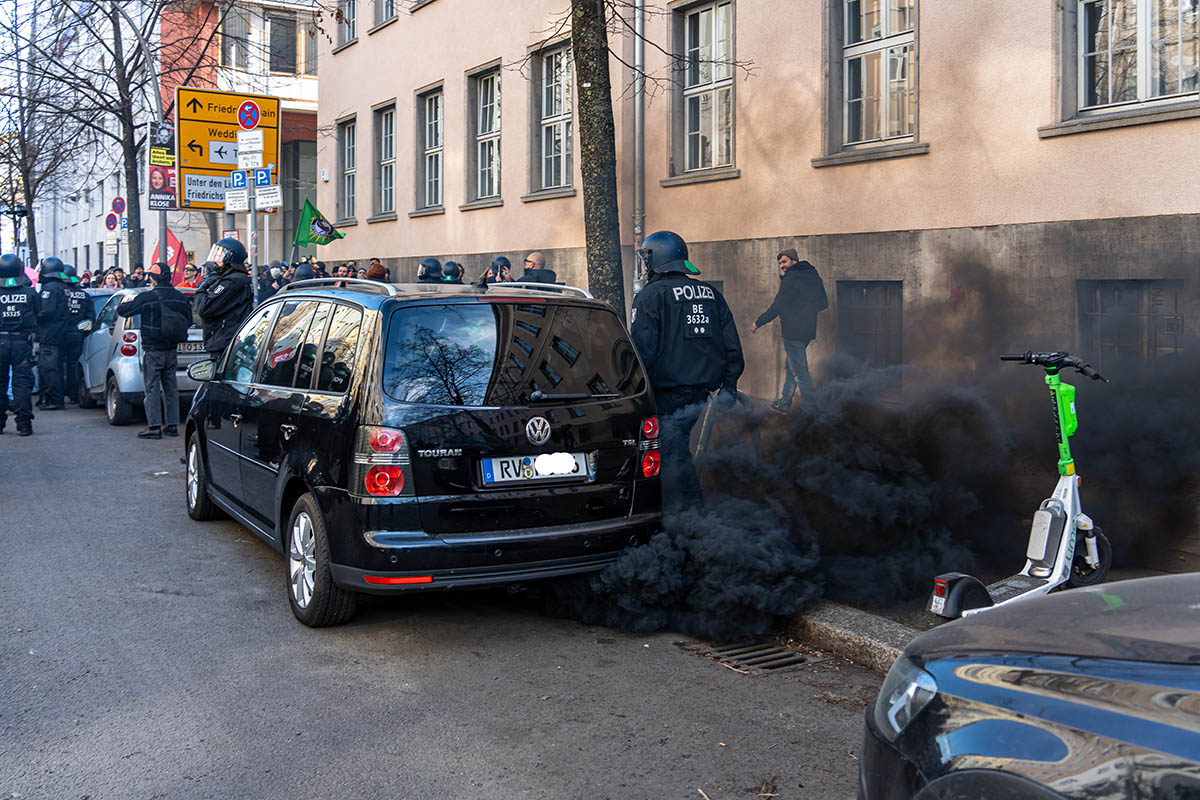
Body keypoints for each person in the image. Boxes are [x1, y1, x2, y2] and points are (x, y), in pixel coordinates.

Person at [630, 230, 744, 509]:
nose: (645, 266)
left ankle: (692, 514)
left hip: (665, 394)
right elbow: (732, 347)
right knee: (675, 445)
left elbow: (643, 350)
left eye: (647, 259)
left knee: (671, 453)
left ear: (657, 259)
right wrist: (728, 386)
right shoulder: (711, 294)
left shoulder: (650, 296)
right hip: (702, 393)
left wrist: (635, 391)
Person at [117, 262, 191, 439]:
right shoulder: (180, 297)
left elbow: (123, 311)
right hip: (172, 349)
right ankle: (172, 425)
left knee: (151, 388)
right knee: (171, 388)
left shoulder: (148, 297)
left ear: (153, 278)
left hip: (153, 349)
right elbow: (188, 319)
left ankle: (154, 427)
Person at [751, 248, 828, 413]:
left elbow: (778, 305)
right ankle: (785, 403)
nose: (781, 266)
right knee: (792, 367)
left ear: (794, 261)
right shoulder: (813, 276)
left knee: (800, 372)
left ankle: (812, 410)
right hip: (807, 331)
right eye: (779, 263)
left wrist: (759, 322)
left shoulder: (791, 278)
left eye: (784, 261)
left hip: (793, 332)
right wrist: (806, 310)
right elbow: (823, 303)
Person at [0, 254, 41, 435]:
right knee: (22, 383)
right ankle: (24, 423)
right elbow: (39, 313)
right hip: (21, 342)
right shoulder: (29, 292)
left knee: (0, 383)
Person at [194, 237, 254, 358]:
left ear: (229, 258)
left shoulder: (233, 281)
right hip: (224, 341)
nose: (216, 260)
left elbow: (205, 309)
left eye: (220, 255)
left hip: (225, 343)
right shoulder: (230, 279)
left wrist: (202, 288)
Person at [34, 257, 72, 410]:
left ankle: (53, 400)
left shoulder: (50, 288)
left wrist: (34, 317)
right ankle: (52, 398)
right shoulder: (62, 286)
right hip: (60, 333)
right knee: (56, 366)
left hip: (50, 334)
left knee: (49, 368)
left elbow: (46, 311)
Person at [61, 264, 93, 405]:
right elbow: (90, 316)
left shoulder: (59, 294)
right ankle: (74, 395)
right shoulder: (84, 296)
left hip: (60, 334)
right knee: (74, 364)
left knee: (59, 365)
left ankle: (61, 393)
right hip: (77, 334)